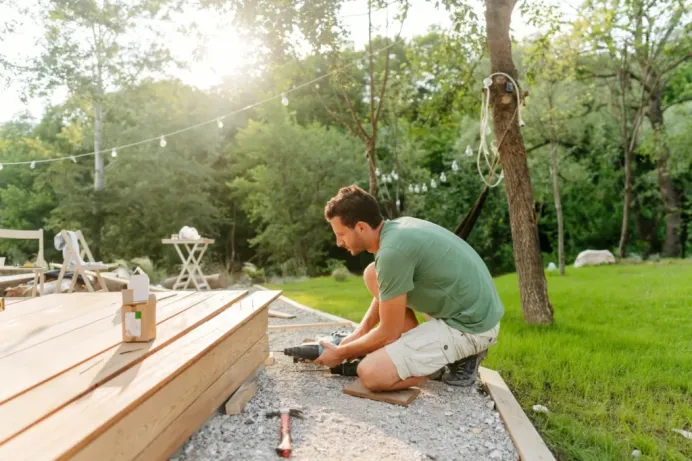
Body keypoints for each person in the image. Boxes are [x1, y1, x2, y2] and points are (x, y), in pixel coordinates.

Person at [315, 184, 504, 391]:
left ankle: (437, 363)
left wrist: (342, 353)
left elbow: (389, 333)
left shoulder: (392, 252)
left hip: (471, 326)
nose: (338, 242)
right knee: (372, 274)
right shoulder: (396, 230)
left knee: (371, 373)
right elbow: (387, 292)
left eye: (341, 234)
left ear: (361, 227)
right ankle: (421, 354)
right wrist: (357, 335)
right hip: (467, 308)